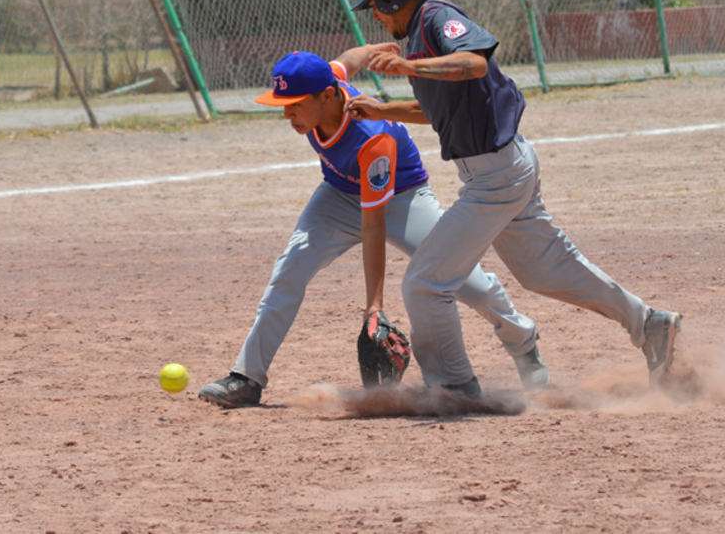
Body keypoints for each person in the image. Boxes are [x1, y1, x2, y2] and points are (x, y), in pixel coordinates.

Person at [343, 0, 683, 400]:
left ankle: (452, 389)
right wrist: (384, 108)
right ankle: (650, 324)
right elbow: (439, 109)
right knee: (544, 271)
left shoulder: (436, 18)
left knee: (424, 283)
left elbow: (475, 61)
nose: (377, 20)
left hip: (496, 177)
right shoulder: (419, 39)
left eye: (376, 8)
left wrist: (408, 65)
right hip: (502, 169)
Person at [198, 48, 549, 408]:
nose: (287, 114)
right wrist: (370, 50)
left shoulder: (371, 136)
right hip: (338, 193)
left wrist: (374, 306)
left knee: (466, 282)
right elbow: (347, 61)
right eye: (283, 104)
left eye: (295, 104)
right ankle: (247, 377)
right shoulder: (325, 83)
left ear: (328, 96)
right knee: (290, 268)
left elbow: (374, 224)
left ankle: (523, 340)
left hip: (400, 197)